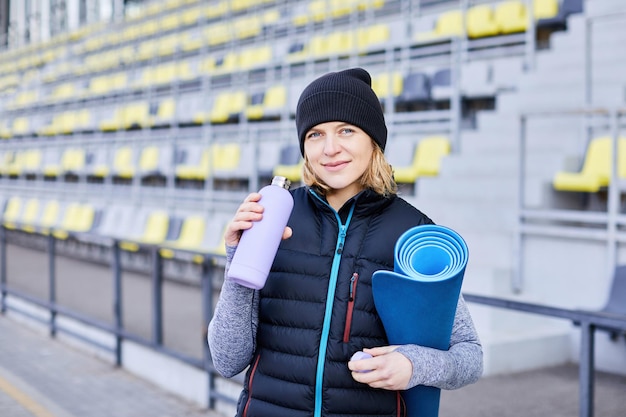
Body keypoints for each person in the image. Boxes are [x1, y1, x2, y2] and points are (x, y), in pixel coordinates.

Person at [208, 67, 483, 417]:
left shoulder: (413, 233)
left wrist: (414, 366)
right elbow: (227, 359)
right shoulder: (276, 219)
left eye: (346, 130)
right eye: (315, 135)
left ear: (373, 140)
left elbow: (469, 356)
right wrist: (238, 258)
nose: (330, 148)